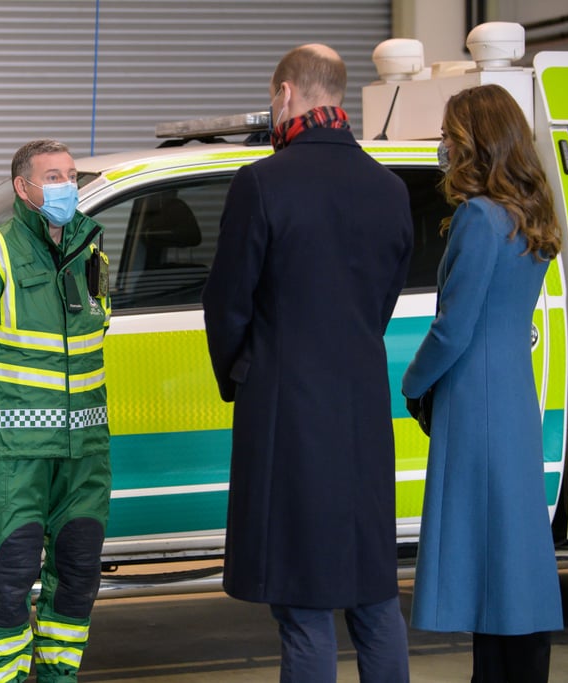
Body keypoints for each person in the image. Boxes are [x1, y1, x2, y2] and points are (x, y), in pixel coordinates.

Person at [202, 45, 413, 682]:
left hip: (287, 418)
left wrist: (245, 370)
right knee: (373, 595)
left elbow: (228, 299)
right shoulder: (390, 188)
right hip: (363, 415)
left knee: (302, 603)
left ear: (288, 92)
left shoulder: (262, 182)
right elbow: (382, 298)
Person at [0, 139, 111, 683]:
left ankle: (58, 678)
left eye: (72, 175)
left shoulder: (91, 254)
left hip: (84, 454)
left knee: (78, 576)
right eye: (53, 176)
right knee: (8, 582)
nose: (66, 186)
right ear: (23, 187)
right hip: (14, 456)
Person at [402, 83, 563, 682]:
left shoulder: (476, 217)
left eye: (449, 134)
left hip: (475, 406)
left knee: (485, 559)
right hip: (514, 402)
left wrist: (412, 383)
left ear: (478, 141)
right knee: (513, 559)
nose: (443, 145)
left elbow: (453, 329)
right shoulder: (531, 215)